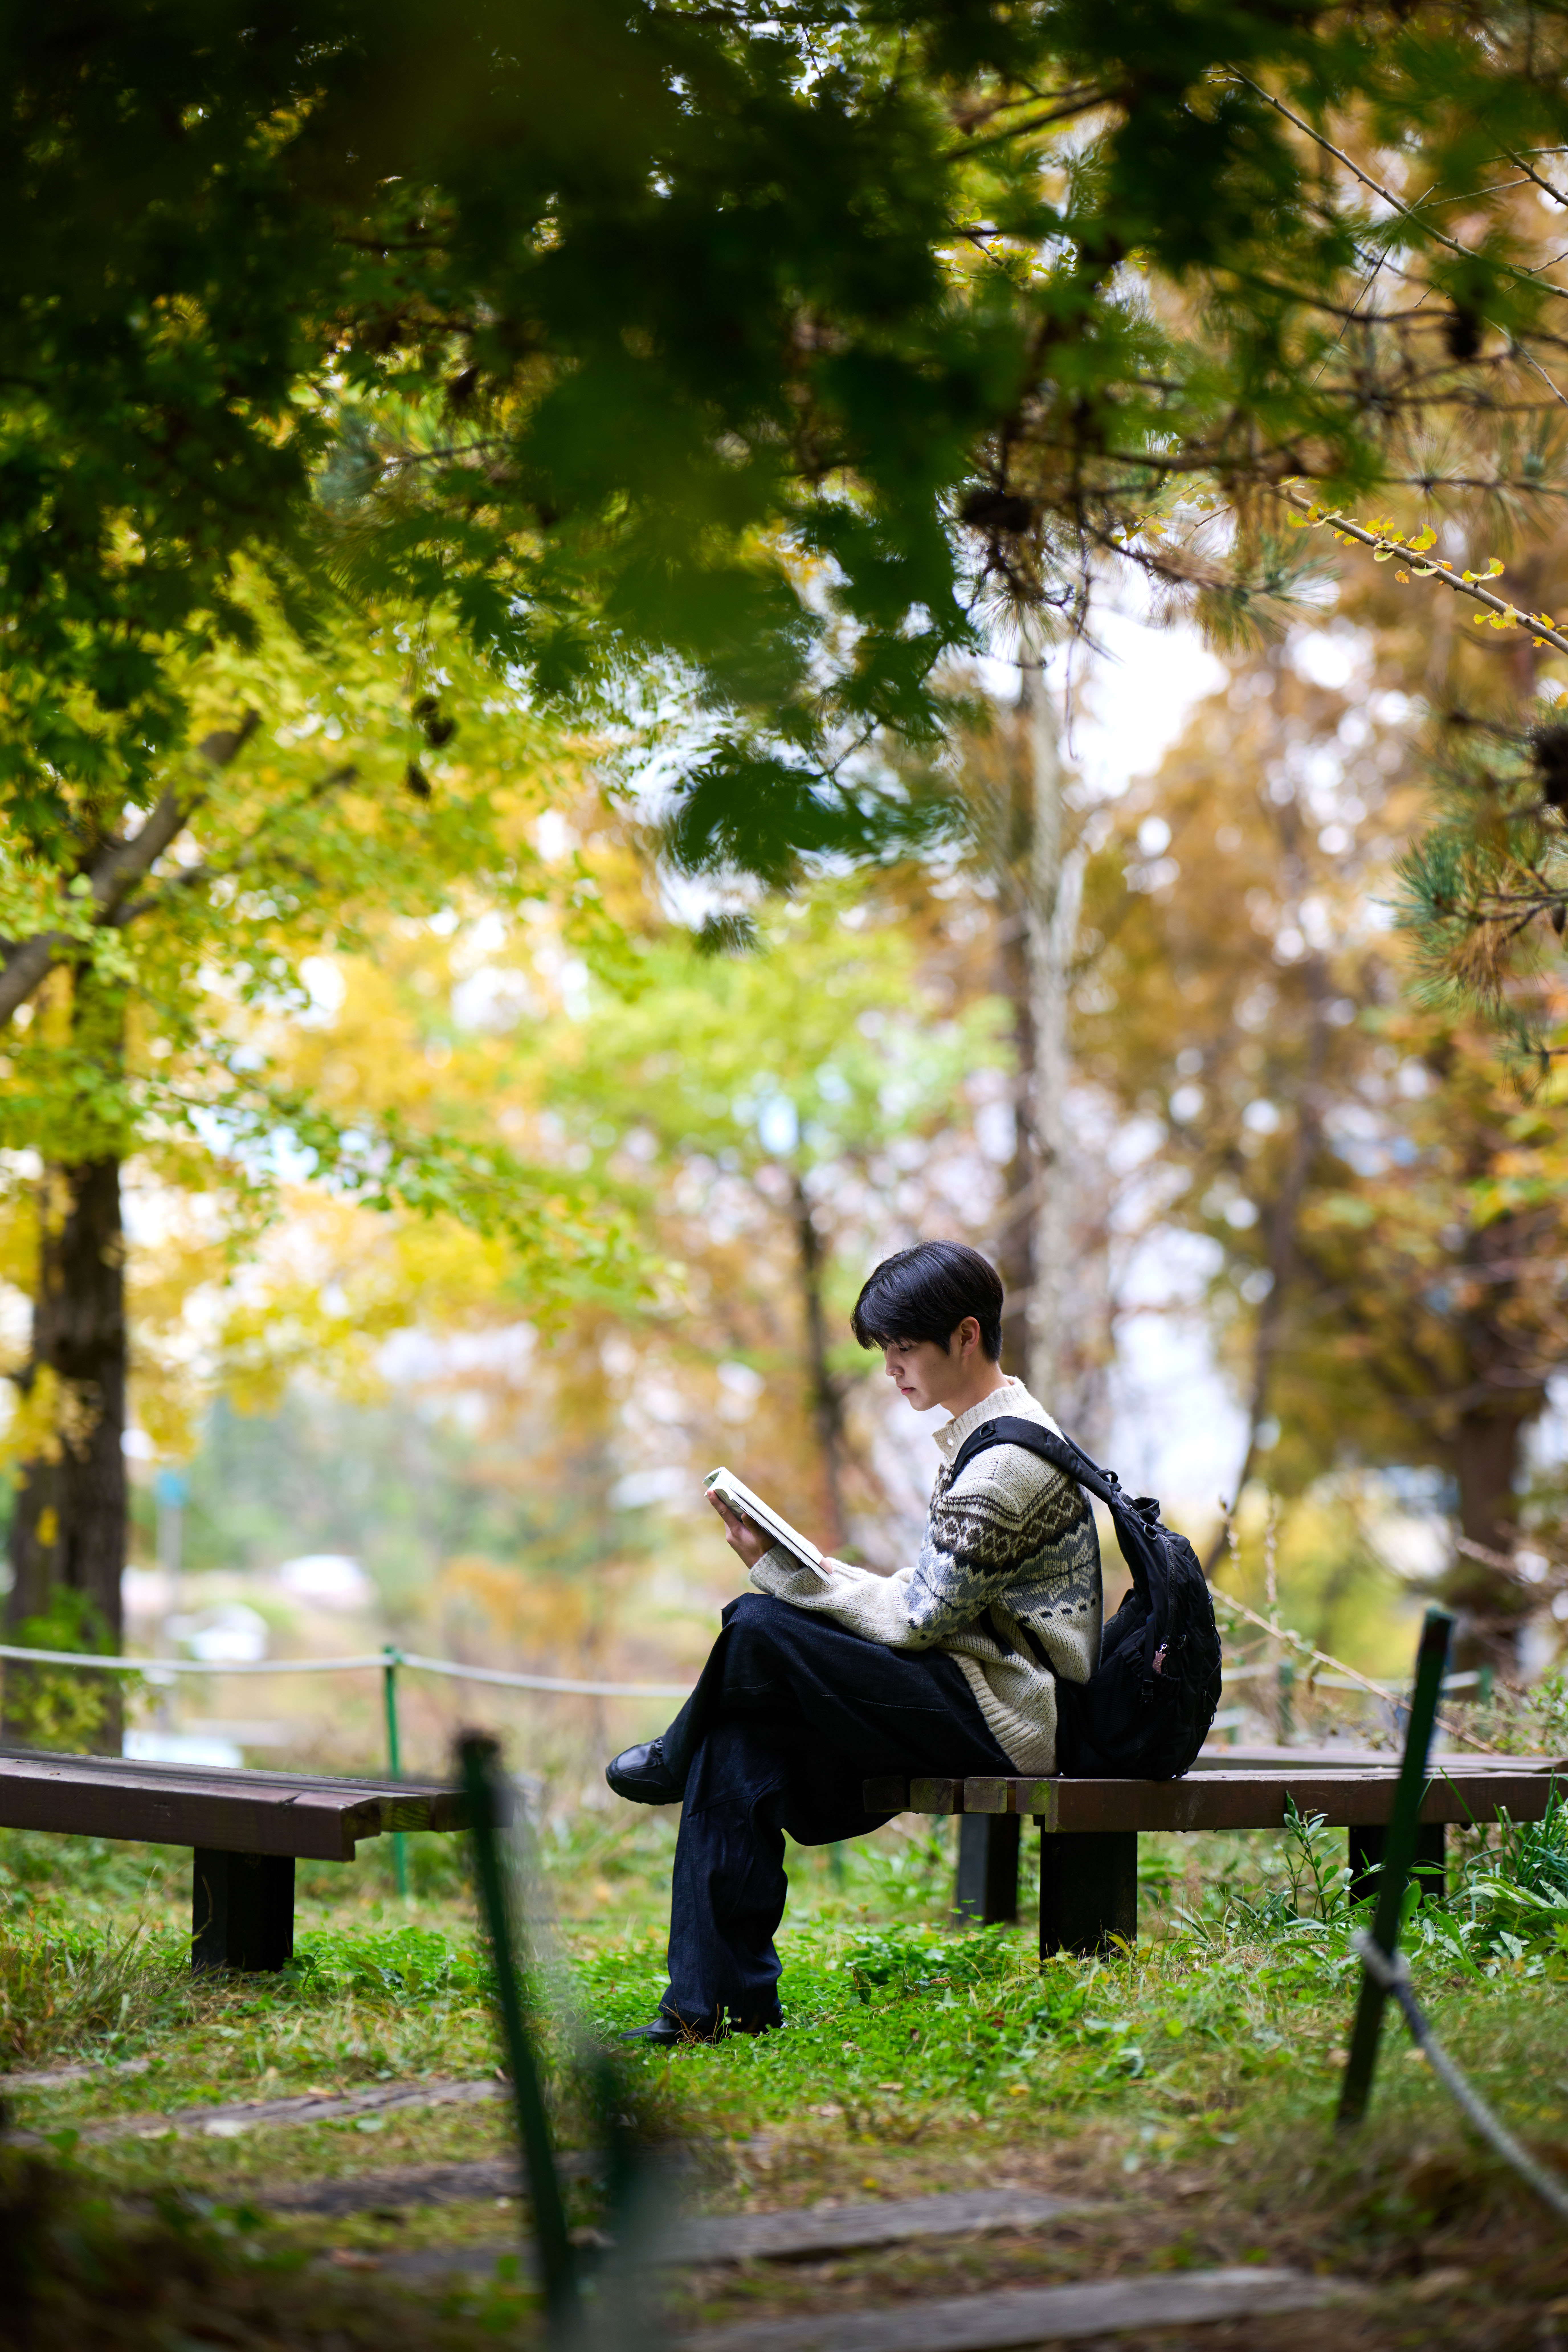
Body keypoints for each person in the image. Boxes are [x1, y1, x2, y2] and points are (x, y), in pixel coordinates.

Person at [604, 1240, 1102, 2044]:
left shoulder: (1008, 1461)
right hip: (966, 1685)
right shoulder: (987, 1438)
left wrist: (793, 1575)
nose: (892, 1370)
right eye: (885, 1352)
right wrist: (806, 1568)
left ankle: (672, 1755)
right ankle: (713, 2008)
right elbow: (933, 1603)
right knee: (741, 1730)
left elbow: (920, 1618)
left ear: (966, 1337)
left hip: (1012, 1716)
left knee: (758, 1623)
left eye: (905, 1349)